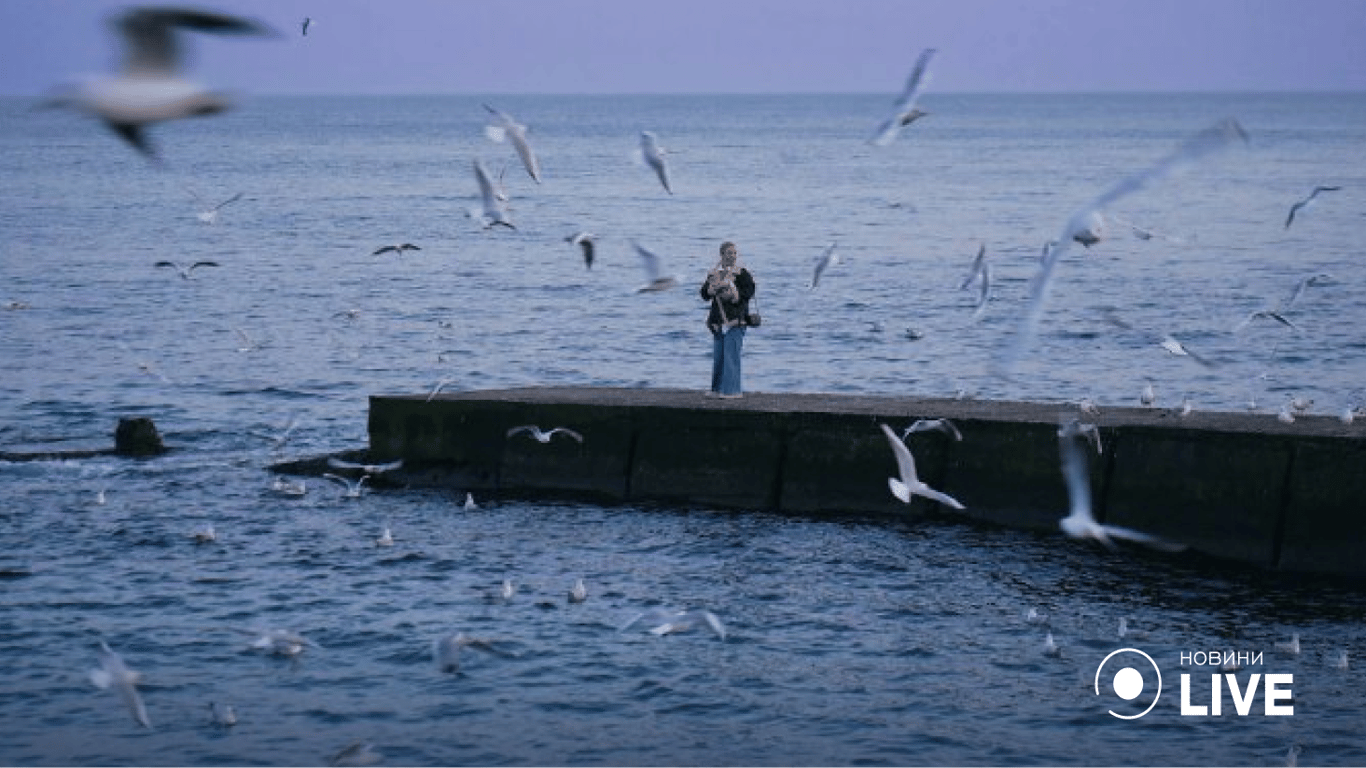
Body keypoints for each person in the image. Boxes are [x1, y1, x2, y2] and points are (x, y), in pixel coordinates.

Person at [700, 241, 756, 399]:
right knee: (719, 357)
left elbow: (749, 292)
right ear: (722, 255)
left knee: (732, 356)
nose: (732, 256)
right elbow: (704, 294)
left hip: (736, 320)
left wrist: (734, 295)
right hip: (718, 320)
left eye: (734, 253)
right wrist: (711, 290)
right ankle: (717, 389)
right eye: (729, 253)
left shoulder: (742, 273)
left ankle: (732, 391)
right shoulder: (714, 274)